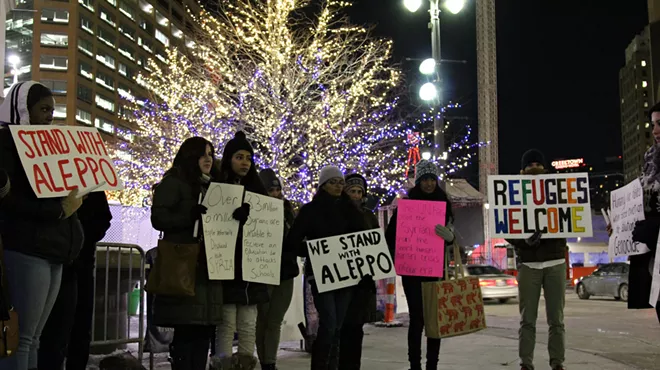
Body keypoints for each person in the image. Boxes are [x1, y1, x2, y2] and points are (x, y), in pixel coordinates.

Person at [0, 82, 85, 370]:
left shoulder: (50, 146)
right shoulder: (6, 143)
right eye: (44, 109)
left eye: (53, 110)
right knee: (22, 337)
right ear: (24, 109)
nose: (50, 116)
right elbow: (9, 201)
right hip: (26, 247)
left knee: (35, 337)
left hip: (54, 249)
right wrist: (56, 211)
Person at [151, 137, 224, 370]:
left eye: (211, 154)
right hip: (185, 263)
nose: (208, 159)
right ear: (191, 156)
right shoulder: (175, 183)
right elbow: (158, 218)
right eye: (203, 154)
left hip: (207, 264)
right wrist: (188, 216)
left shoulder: (214, 185)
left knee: (203, 330)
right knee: (187, 331)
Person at [285, 166, 368, 370]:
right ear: (323, 185)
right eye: (333, 182)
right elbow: (293, 241)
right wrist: (311, 250)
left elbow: (362, 242)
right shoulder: (310, 211)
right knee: (329, 323)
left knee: (337, 326)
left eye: (341, 183)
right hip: (321, 275)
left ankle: (332, 365)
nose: (338, 186)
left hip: (347, 276)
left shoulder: (351, 211)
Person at [384, 160, 454, 370]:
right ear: (418, 181)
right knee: (417, 320)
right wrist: (398, 254)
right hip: (413, 270)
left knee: (434, 321)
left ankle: (432, 364)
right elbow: (390, 236)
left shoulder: (444, 203)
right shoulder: (407, 204)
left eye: (432, 179)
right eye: (425, 179)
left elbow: (453, 235)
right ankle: (414, 365)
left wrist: (450, 237)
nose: (429, 184)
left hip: (436, 270)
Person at [211, 132, 269, 370]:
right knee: (225, 324)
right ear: (229, 159)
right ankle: (223, 365)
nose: (245, 162)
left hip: (251, 269)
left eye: (248, 158)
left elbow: (268, 223)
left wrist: (251, 213)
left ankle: (246, 365)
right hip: (225, 266)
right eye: (239, 157)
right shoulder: (217, 188)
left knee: (247, 324)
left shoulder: (258, 191)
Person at [506, 149, 566, 370]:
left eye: (537, 165)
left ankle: (557, 362)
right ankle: (526, 363)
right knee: (527, 320)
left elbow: (569, 219)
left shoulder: (558, 192)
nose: (534, 168)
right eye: (529, 165)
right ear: (522, 171)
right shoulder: (514, 196)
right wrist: (524, 242)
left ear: (546, 169)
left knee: (557, 320)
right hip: (529, 264)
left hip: (555, 262)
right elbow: (506, 225)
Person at [38, 191, 112, 370]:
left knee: (65, 327)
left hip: (74, 260)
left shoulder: (89, 188)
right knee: (62, 328)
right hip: (69, 259)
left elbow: (103, 219)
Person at [255, 169, 299, 370]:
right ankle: (266, 361)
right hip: (263, 269)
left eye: (277, 189)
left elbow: (296, 238)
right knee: (263, 319)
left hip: (285, 271)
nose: (274, 194)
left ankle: (270, 362)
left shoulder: (288, 211)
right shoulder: (256, 211)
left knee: (275, 319)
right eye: (270, 190)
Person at [338, 173, 379, 370]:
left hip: (363, 284)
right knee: (341, 329)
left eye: (359, 192)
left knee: (356, 329)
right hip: (341, 282)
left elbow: (378, 247)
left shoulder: (369, 217)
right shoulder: (336, 214)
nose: (355, 195)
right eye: (352, 191)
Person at [628, 101, 660, 323]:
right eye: (653, 125)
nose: (655, 131)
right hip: (655, 258)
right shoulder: (650, 160)